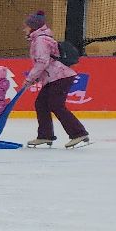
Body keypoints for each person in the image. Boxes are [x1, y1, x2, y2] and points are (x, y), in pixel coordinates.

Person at [22, 9, 88, 148]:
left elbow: (42, 62)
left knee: (55, 104)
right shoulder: (39, 39)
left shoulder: (40, 40)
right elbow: (45, 63)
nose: (24, 29)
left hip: (60, 77)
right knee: (41, 103)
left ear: (33, 27)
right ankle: (45, 135)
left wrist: (30, 79)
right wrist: (36, 78)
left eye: (26, 26)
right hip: (53, 77)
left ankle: (79, 133)